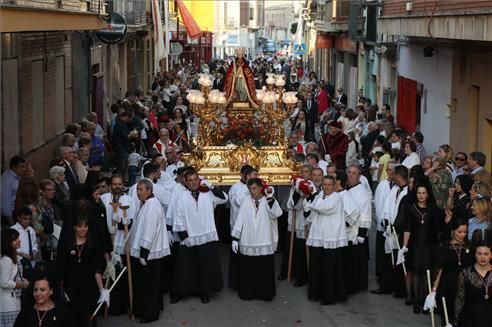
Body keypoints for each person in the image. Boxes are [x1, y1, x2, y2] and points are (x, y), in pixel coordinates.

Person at [172, 170, 228, 304]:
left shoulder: (208, 194)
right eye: (190, 180)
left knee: (205, 266)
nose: (193, 183)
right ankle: (183, 291)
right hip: (190, 237)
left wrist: (212, 186)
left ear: (199, 180)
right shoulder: (182, 196)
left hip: (206, 236)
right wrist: (184, 237)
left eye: (195, 180)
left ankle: (204, 292)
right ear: (186, 182)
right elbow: (178, 217)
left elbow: (224, 198)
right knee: (186, 267)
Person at [231, 178, 282, 301]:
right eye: (250, 189)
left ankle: (265, 294)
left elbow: (277, 213)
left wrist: (270, 198)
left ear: (260, 188)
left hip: (264, 239)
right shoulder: (246, 201)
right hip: (248, 240)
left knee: (264, 269)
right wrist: (235, 238)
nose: (252, 191)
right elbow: (240, 219)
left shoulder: (268, 200)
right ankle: (248, 293)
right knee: (248, 269)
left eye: (254, 188)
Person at [131, 179, 171, 323]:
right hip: (147, 252)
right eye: (137, 190)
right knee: (149, 284)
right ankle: (145, 309)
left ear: (149, 190)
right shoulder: (145, 204)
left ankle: (150, 314)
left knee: (149, 286)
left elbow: (149, 230)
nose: (138, 192)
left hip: (149, 253)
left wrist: (144, 252)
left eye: (141, 190)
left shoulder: (152, 205)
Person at [57, 215, 108, 327]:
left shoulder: (92, 245)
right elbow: (61, 268)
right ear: (74, 227)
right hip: (71, 288)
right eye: (80, 226)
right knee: (72, 319)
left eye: (85, 226)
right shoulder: (67, 244)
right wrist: (60, 289)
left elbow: (96, 270)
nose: (83, 229)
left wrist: (102, 289)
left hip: (88, 288)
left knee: (88, 319)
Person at [303, 175, 348, 304]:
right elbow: (311, 209)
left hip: (331, 237)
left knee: (329, 269)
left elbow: (323, 209)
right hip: (318, 235)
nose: (326, 187)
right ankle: (315, 293)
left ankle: (329, 296)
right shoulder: (320, 196)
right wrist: (309, 201)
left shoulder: (336, 198)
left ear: (334, 186)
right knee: (316, 267)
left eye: (329, 185)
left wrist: (312, 203)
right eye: (324, 185)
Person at [401, 181, 442, 314]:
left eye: (423, 193)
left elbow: (436, 230)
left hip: (428, 246)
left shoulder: (432, 210)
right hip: (414, 246)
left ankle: (425, 300)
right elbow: (407, 229)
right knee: (416, 273)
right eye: (419, 193)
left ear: (428, 194)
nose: (421, 195)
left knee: (426, 274)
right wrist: (404, 246)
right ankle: (416, 301)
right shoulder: (411, 208)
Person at [429, 218, 473, 327]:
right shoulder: (444, 246)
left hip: (464, 287)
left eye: (465, 232)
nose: (463, 235)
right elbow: (439, 269)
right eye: (460, 232)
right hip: (447, 285)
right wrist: (433, 291)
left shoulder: (469, 246)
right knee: (447, 317)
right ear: (452, 231)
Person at [228, 165, 258, 289]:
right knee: (239, 256)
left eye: (255, 175)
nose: (253, 178)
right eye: (250, 175)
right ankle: (238, 283)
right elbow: (240, 203)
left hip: (253, 226)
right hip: (239, 226)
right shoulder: (236, 188)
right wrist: (251, 191)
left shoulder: (257, 188)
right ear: (244, 176)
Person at [453, 240, 492, 327]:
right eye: (479, 253)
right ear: (475, 254)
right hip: (469, 319)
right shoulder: (465, 273)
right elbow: (460, 299)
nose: (482, 257)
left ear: (491, 255)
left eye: (486, 254)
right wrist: (456, 321)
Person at [1, 229, 30, 327]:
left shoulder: (11, 257)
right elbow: (4, 283)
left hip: (13, 302)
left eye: (18, 237)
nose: (19, 240)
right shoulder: (7, 260)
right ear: (7, 243)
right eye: (15, 239)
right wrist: (22, 284)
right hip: (8, 305)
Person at [11, 207, 39, 280]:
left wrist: (34, 251)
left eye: (29, 219)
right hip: (17, 261)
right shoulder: (13, 229)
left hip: (30, 262)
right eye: (25, 219)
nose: (27, 221)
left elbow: (34, 244)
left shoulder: (31, 230)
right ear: (19, 218)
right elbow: (10, 247)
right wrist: (22, 254)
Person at [1, 155, 26, 226]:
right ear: (14, 167)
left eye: (24, 166)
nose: (24, 169)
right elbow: (5, 201)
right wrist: (12, 224)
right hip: (9, 216)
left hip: (17, 211)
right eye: (21, 167)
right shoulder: (8, 180)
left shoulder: (17, 176)